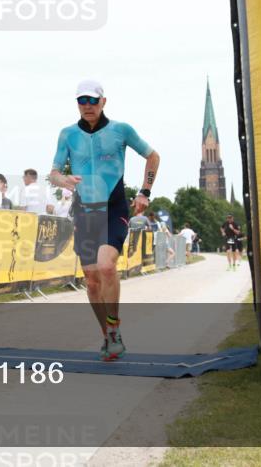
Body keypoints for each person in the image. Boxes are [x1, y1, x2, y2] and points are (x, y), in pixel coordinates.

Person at [49, 80, 160, 361]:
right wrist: (65, 179)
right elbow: (54, 173)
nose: (87, 105)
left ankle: (114, 330)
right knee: (92, 280)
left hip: (113, 207)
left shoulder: (120, 131)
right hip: (84, 209)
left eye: (92, 100)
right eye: (81, 101)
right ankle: (107, 336)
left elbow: (153, 156)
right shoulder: (67, 135)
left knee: (106, 266)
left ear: (103, 102)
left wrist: (144, 192)